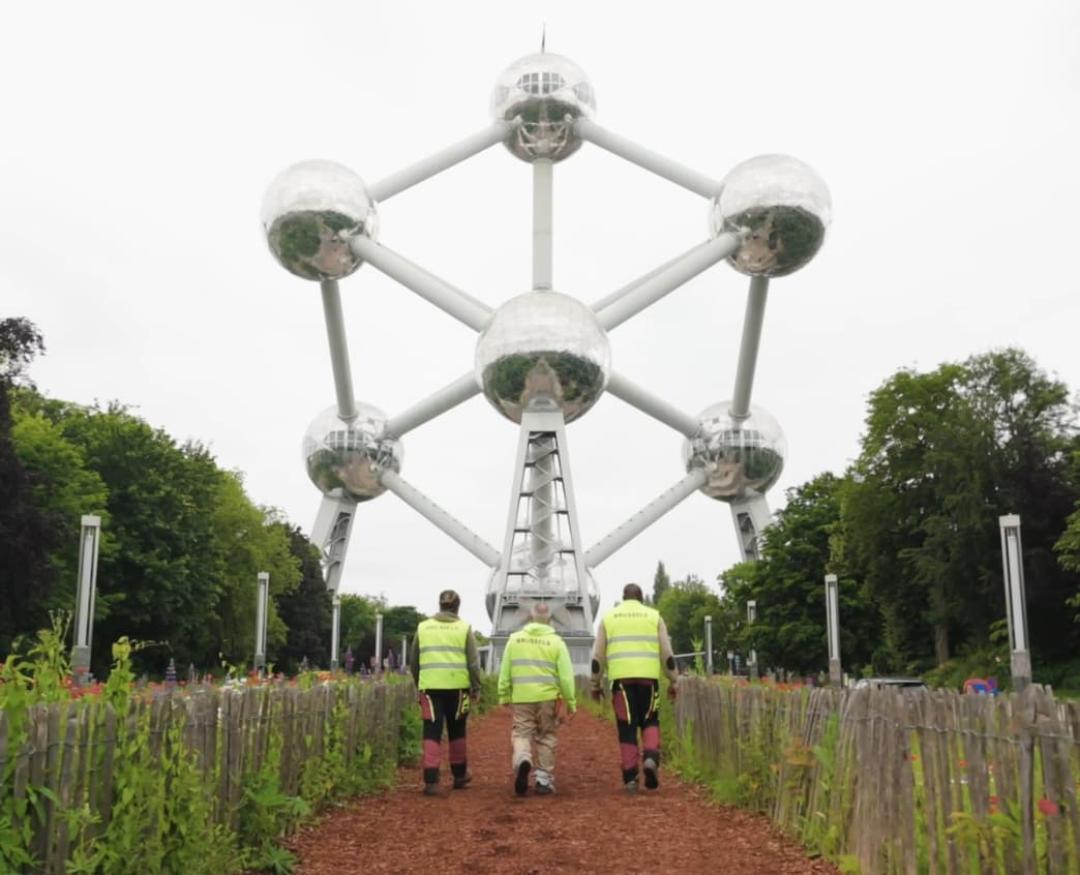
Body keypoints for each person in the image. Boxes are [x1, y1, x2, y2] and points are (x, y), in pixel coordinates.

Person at [591, 583, 679, 793]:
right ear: (642, 598)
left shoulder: (609, 618)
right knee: (650, 720)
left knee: (626, 727)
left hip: (621, 682)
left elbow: (597, 656)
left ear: (624, 598)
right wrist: (673, 680)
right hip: (649, 680)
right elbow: (666, 653)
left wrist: (595, 683)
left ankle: (631, 777)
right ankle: (650, 757)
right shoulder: (654, 617)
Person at [498, 601, 577, 796]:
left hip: (522, 696)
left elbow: (505, 670)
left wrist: (504, 694)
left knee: (521, 734)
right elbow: (566, 677)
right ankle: (543, 780)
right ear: (549, 619)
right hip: (548, 697)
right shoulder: (557, 642)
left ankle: (523, 758)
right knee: (546, 736)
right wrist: (570, 702)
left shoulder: (514, 640)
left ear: (531, 617)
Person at [409, 589, 482, 796]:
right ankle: (460, 775)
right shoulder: (464, 628)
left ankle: (431, 780)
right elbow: (473, 663)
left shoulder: (423, 627)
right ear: (458, 607)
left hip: (429, 688)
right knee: (457, 729)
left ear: (440, 605)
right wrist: (476, 687)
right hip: (458, 688)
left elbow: (414, 661)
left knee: (431, 730)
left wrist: (419, 684)